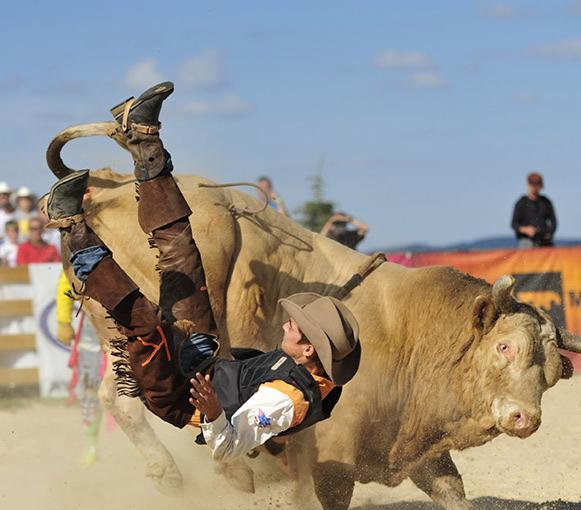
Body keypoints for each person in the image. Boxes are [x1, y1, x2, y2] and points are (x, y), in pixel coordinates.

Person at [44, 81, 361, 463]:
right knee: (182, 256)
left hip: (178, 395)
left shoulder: (286, 399)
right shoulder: (305, 374)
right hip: (205, 362)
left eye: (296, 327)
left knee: (141, 318)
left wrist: (211, 410)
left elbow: (225, 447)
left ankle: (70, 224)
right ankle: (144, 138)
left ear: (310, 348)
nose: (287, 325)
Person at [56, 270, 105, 465]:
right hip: (93, 330)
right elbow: (66, 281)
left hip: (127, 326)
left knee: (134, 388)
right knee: (90, 389)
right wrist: (63, 320)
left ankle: (143, 443)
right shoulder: (82, 248)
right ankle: (91, 445)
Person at [510, 172, 557, 248]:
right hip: (527, 241)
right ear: (528, 185)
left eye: (537, 185)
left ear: (541, 186)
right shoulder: (521, 203)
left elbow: (554, 223)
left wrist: (548, 233)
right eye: (533, 185)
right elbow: (514, 224)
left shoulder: (546, 202)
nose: (535, 188)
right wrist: (525, 229)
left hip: (544, 241)